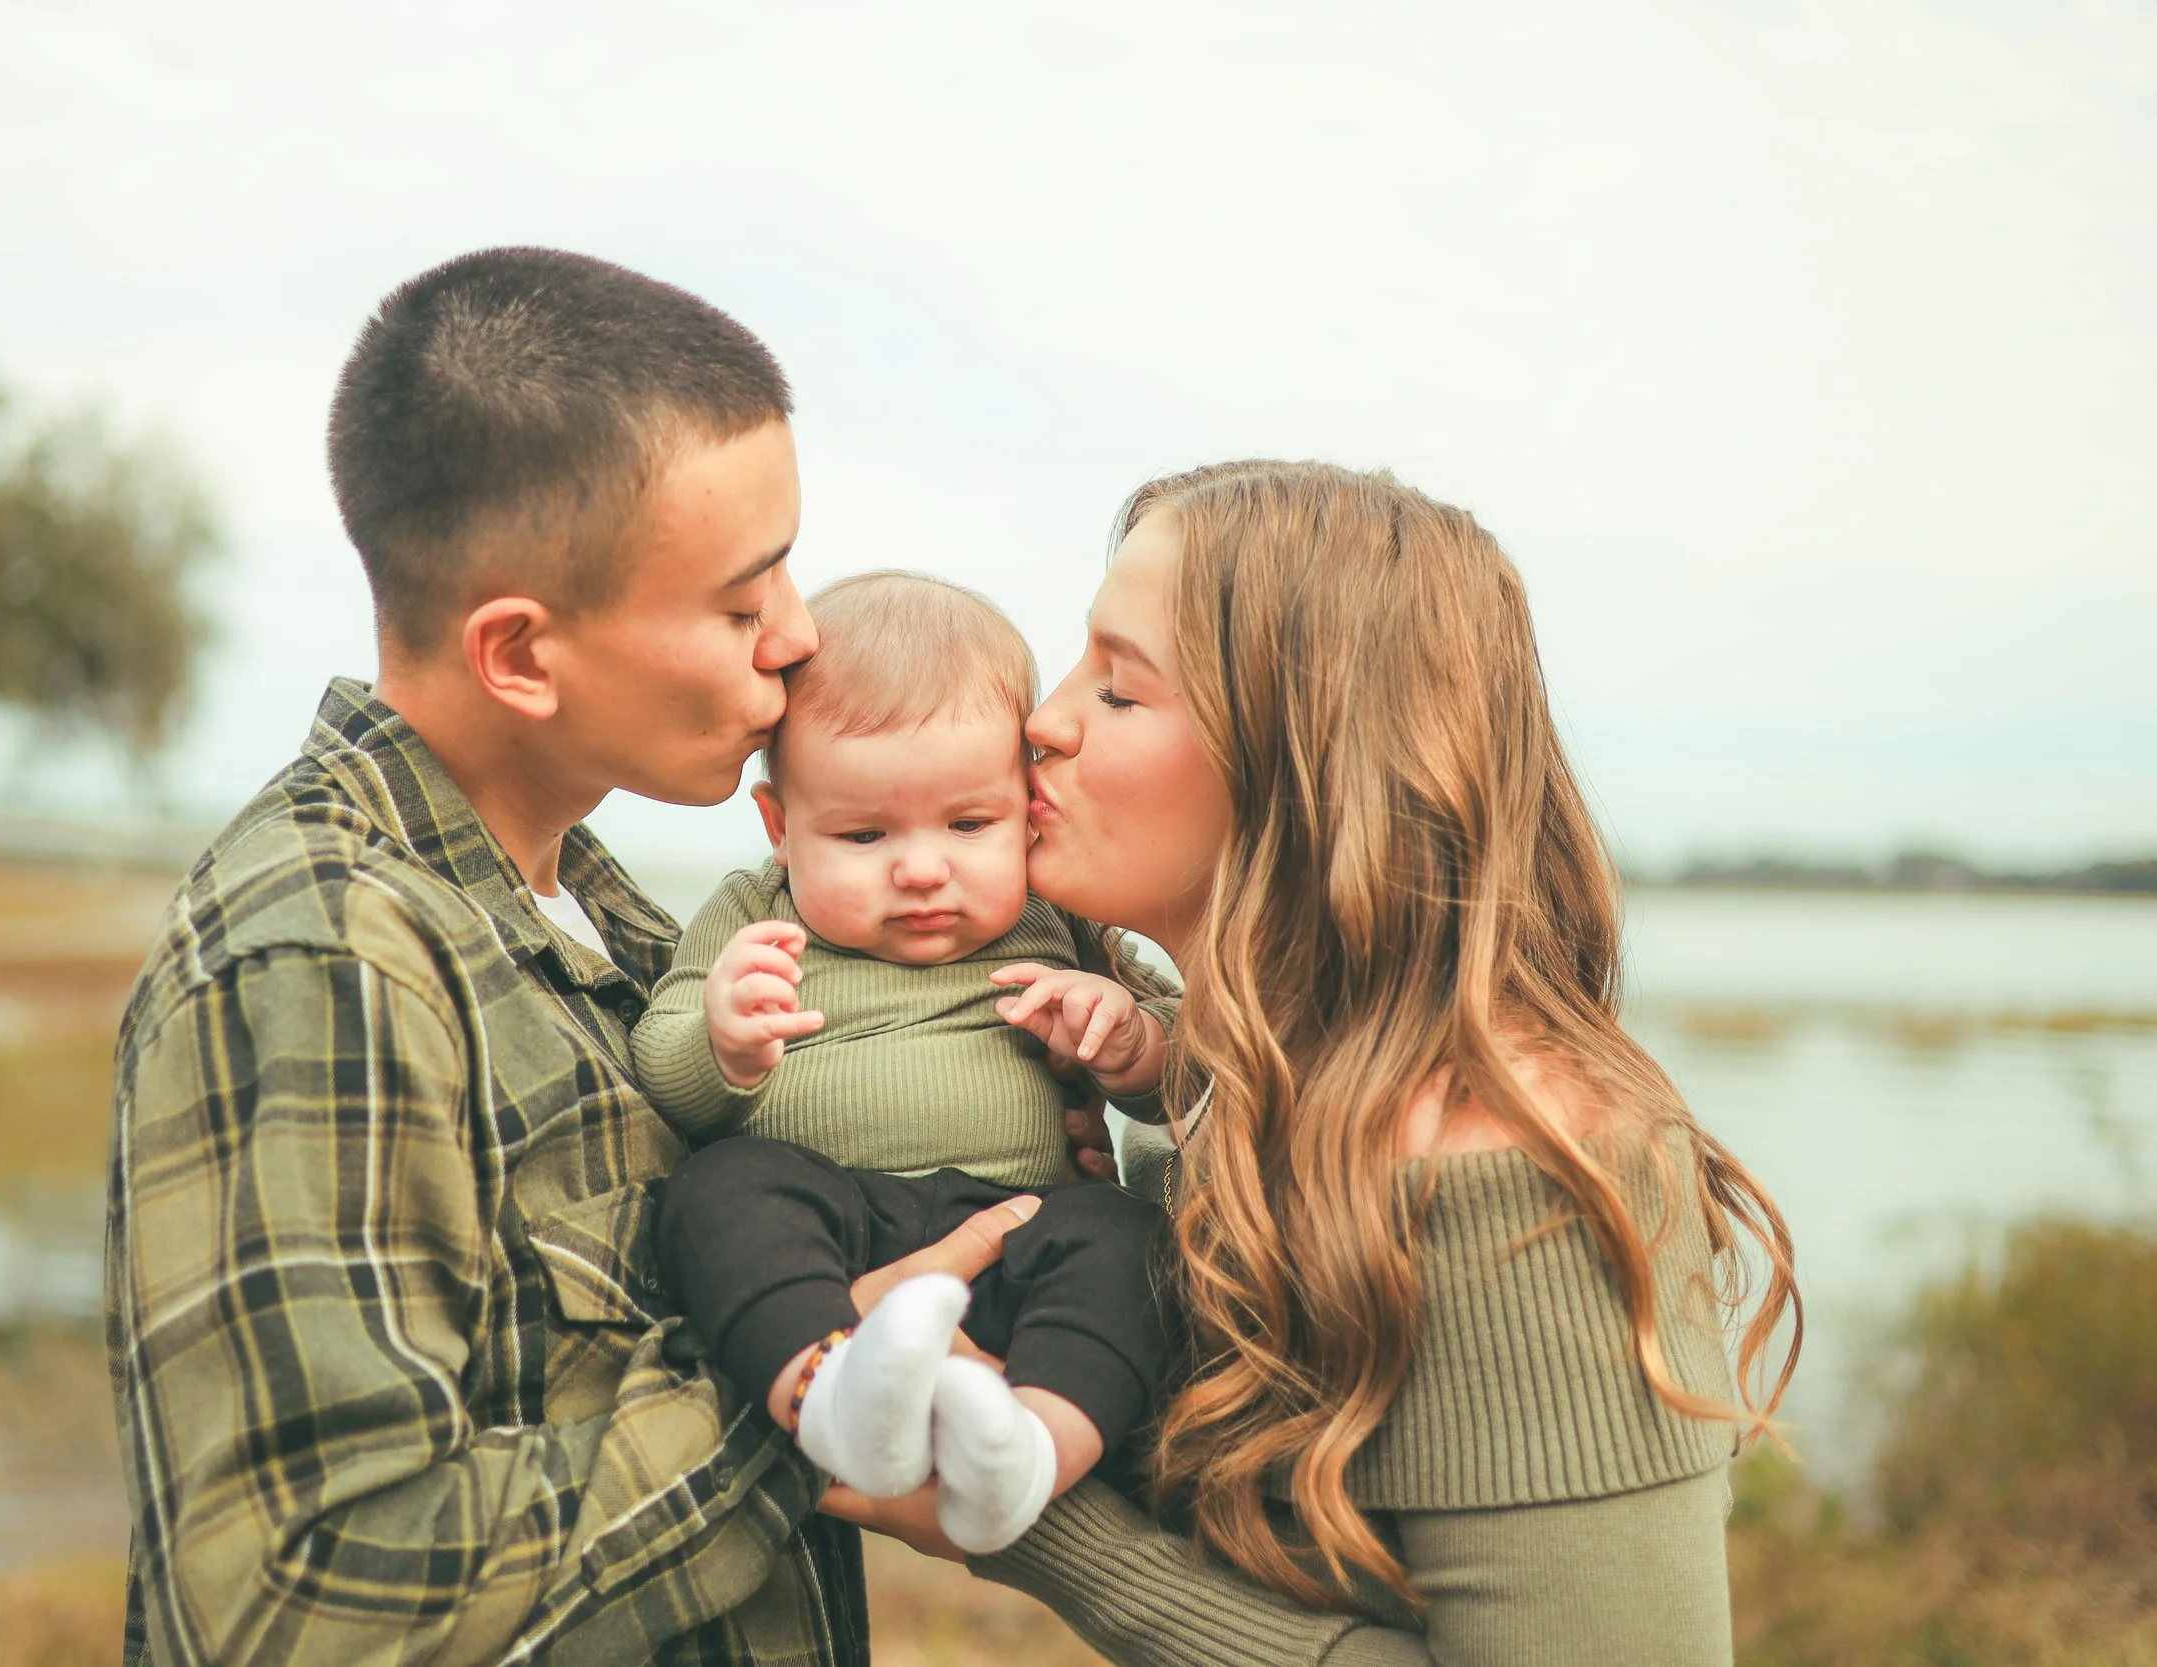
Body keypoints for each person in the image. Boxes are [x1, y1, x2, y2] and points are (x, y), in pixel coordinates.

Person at [101, 249, 1046, 1667]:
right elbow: (297, 1605)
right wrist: (798, 1374)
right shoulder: (322, 951)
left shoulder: (640, 931)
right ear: (523, 655)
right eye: (742, 601)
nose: (798, 638)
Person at [832, 461, 1801, 1666]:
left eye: (1119, 689)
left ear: (1305, 763)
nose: (1045, 718)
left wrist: (1029, 1511)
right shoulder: (1260, 1090)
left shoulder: (1515, 1163)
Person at [632, 571, 1173, 1556]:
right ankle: (828, 1390)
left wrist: (1130, 1039)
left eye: (970, 824)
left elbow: (1184, 1069)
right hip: (830, 1225)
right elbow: (664, 1062)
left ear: (1027, 807)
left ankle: (1032, 1448)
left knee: (1129, 1232)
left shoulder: (1060, 920)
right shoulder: (758, 914)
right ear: (780, 828)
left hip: (1022, 1226)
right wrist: (722, 1042)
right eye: (864, 833)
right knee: (720, 1187)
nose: (921, 868)